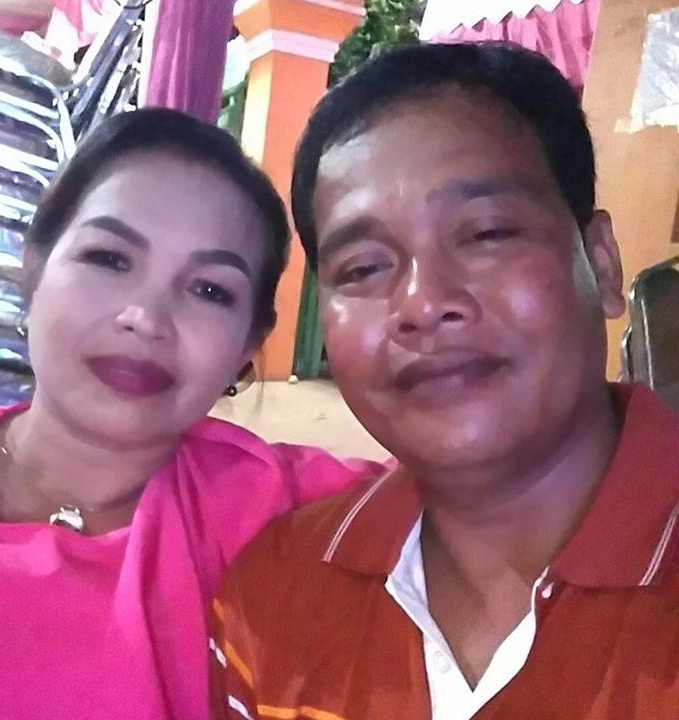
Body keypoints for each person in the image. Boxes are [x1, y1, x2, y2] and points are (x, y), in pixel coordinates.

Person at [209, 42, 679, 720]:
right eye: (364, 268)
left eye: (486, 234)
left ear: (601, 263)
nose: (424, 303)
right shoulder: (275, 595)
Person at [0, 109, 379, 720]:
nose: (146, 319)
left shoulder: (287, 509)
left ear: (247, 345)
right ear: (35, 266)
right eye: (109, 258)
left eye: (210, 290)